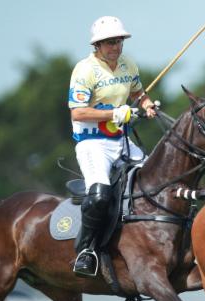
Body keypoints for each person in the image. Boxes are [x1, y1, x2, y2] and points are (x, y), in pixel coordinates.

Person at [67, 16, 157, 277]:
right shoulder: (85, 70)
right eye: (109, 42)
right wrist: (114, 113)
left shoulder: (128, 64)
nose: (115, 47)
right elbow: (78, 112)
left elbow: (137, 92)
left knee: (156, 181)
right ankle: (86, 250)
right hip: (92, 143)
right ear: (97, 45)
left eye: (118, 41)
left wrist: (147, 104)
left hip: (121, 140)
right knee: (100, 195)